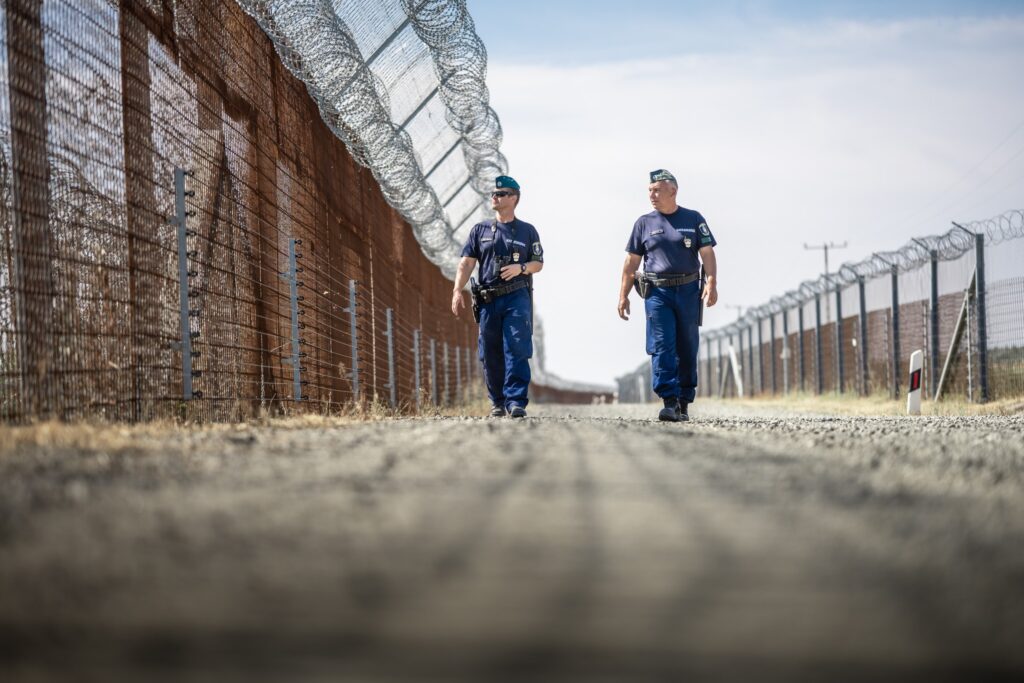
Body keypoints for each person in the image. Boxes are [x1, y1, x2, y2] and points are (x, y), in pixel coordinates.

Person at [617, 169, 718, 421]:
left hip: (687, 291)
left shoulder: (693, 219)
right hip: (657, 293)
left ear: (672, 191)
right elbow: (631, 263)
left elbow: (706, 253)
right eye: (650, 190)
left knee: (687, 345)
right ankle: (669, 401)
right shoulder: (644, 223)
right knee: (662, 345)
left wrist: (712, 282)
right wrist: (623, 295)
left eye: (657, 190)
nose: (652, 194)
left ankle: (684, 400)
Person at [451, 176, 544, 418]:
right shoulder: (480, 230)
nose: (495, 197)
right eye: (494, 193)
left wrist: (520, 268)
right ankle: (497, 402)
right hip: (488, 300)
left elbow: (538, 263)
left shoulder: (527, 230)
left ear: (514, 198)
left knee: (516, 347)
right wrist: (456, 290)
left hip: (516, 297)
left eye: (501, 193)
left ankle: (516, 401)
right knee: (490, 352)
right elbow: (466, 263)